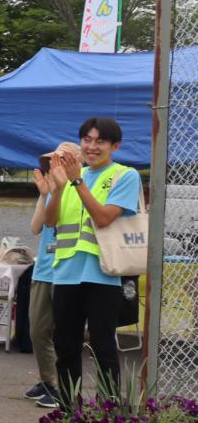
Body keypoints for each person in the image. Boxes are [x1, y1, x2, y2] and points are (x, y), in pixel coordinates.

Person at [44, 117, 141, 406]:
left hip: (104, 275)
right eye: (87, 140)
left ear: (115, 145)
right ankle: (68, 413)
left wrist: (76, 181)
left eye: (100, 141)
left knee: (102, 346)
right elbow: (50, 222)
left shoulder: (125, 176)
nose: (91, 147)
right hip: (66, 274)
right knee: (65, 346)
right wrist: (60, 188)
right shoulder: (75, 177)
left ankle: (108, 412)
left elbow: (102, 217)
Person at [24, 142, 79, 405]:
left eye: (58, 161)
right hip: (43, 271)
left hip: (66, 272)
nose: (51, 167)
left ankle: (60, 387)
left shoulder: (78, 190)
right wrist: (44, 195)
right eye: (50, 162)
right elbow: (36, 227)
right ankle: (48, 380)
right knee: (37, 330)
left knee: (63, 332)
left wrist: (56, 193)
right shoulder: (48, 190)